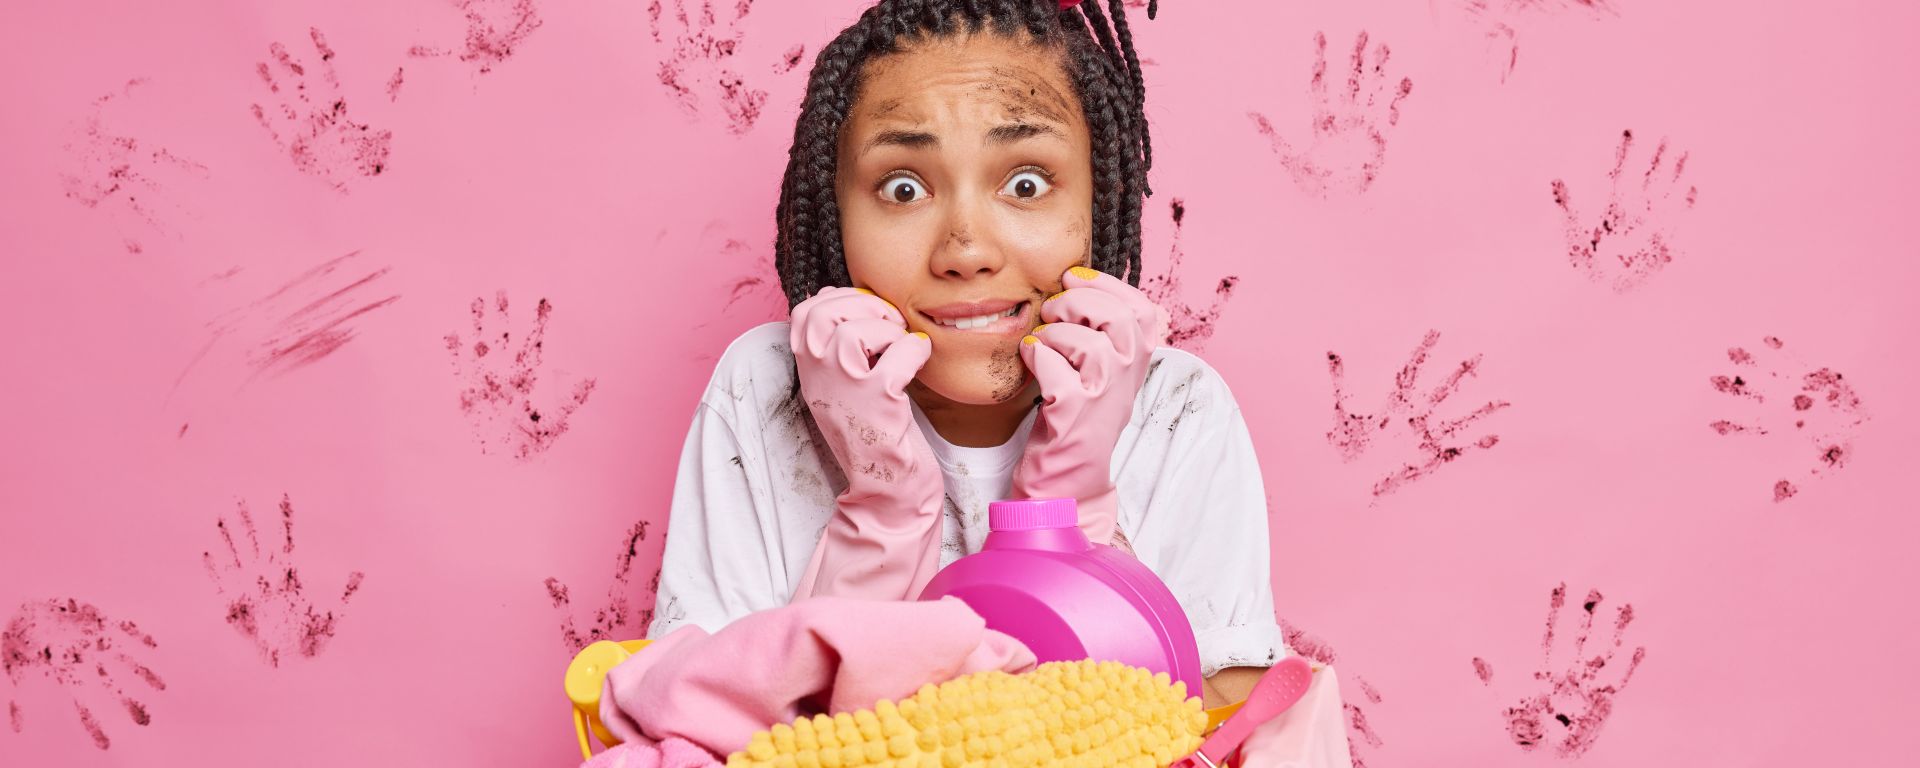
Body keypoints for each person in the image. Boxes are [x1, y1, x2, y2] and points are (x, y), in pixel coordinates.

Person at [648, 0, 1282, 708]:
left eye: (1026, 184)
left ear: (1101, 197)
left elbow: (1226, 721)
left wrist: (1066, 519)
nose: (966, 251)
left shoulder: (1176, 406)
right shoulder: (764, 387)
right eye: (903, 188)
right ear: (836, 213)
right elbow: (699, 725)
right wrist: (884, 510)